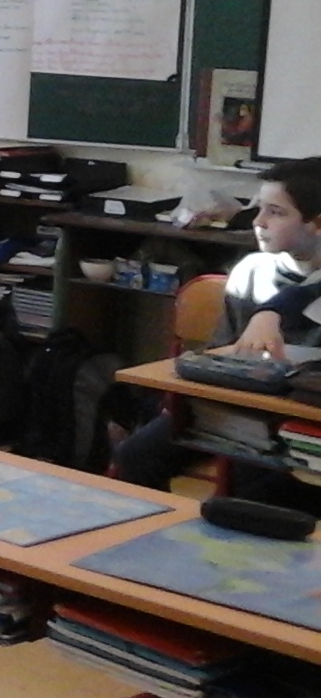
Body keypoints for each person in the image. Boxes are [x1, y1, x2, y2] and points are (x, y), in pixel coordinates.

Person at [114, 158, 321, 502]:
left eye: (276, 212)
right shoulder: (251, 271)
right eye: (258, 208)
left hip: (301, 421)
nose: (258, 222)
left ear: (317, 223)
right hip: (237, 406)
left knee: (255, 483)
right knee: (135, 455)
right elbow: (219, 354)